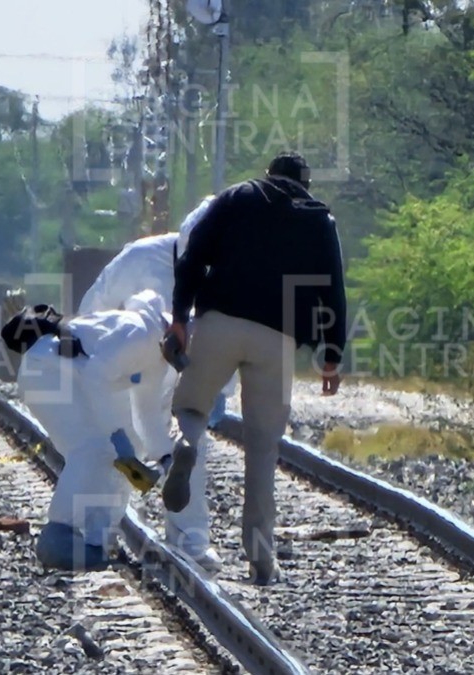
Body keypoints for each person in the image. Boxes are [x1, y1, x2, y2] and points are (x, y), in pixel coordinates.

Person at [161, 151, 348, 585]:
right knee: (264, 448)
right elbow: (333, 290)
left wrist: (178, 317)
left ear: (269, 176)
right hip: (278, 340)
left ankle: (185, 444)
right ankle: (262, 559)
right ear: (305, 183)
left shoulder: (237, 197)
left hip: (218, 324)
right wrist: (331, 355)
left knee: (189, 409)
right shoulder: (320, 221)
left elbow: (191, 257)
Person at [1, 290, 174, 571]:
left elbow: (146, 411)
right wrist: (115, 434)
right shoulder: (141, 333)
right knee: (92, 449)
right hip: (48, 372)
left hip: (65, 376)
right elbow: (95, 375)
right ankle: (57, 536)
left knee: (116, 452)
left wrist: (164, 456)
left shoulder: (159, 356)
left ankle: (97, 540)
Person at [78, 195, 238, 428]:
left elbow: (227, 334)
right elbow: (94, 311)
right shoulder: (139, 258)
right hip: (133, 371)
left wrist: (222, 391)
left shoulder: (228, 272)